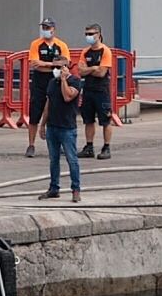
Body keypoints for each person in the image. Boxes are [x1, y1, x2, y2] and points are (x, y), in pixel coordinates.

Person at [39, 60, 83, 202]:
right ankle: (54, 188)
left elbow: (68, 96)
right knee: (54, 160)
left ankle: (75, 189)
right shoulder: (52, 82)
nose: (55, 70)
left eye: (59, 67)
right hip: (52, 126)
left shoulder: (75, 81)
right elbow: (48, 103)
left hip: (67, 128)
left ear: (66, 67)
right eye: (54, 67)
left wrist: (64, 79)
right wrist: (42, 124)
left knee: (72, 160)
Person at [24, 18, 67, 158]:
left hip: (55, 79)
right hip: (39, 81)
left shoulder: (61, 45)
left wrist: (48, 64)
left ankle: (57, 144)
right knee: (35, 112)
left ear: (54, 29)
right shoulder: (36, 44)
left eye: (48, 27)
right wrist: (52, 64)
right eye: (44, 27)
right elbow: (35, 63)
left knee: (56, 112)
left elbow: (65, 62)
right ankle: (31, 145)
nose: (46, 30)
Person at [76, 23, 114, 160]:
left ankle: (106, 147)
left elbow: (102, 72)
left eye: (91, 34)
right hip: (88, 89)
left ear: (99, 35)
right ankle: (89, 147)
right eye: (87, 34)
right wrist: (93, 68)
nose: (89, 37)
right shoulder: (85, 52)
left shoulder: (105, 51)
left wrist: (89, 69)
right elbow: (80, 70)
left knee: (105, 120)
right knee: (88, 120)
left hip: (101, 90)